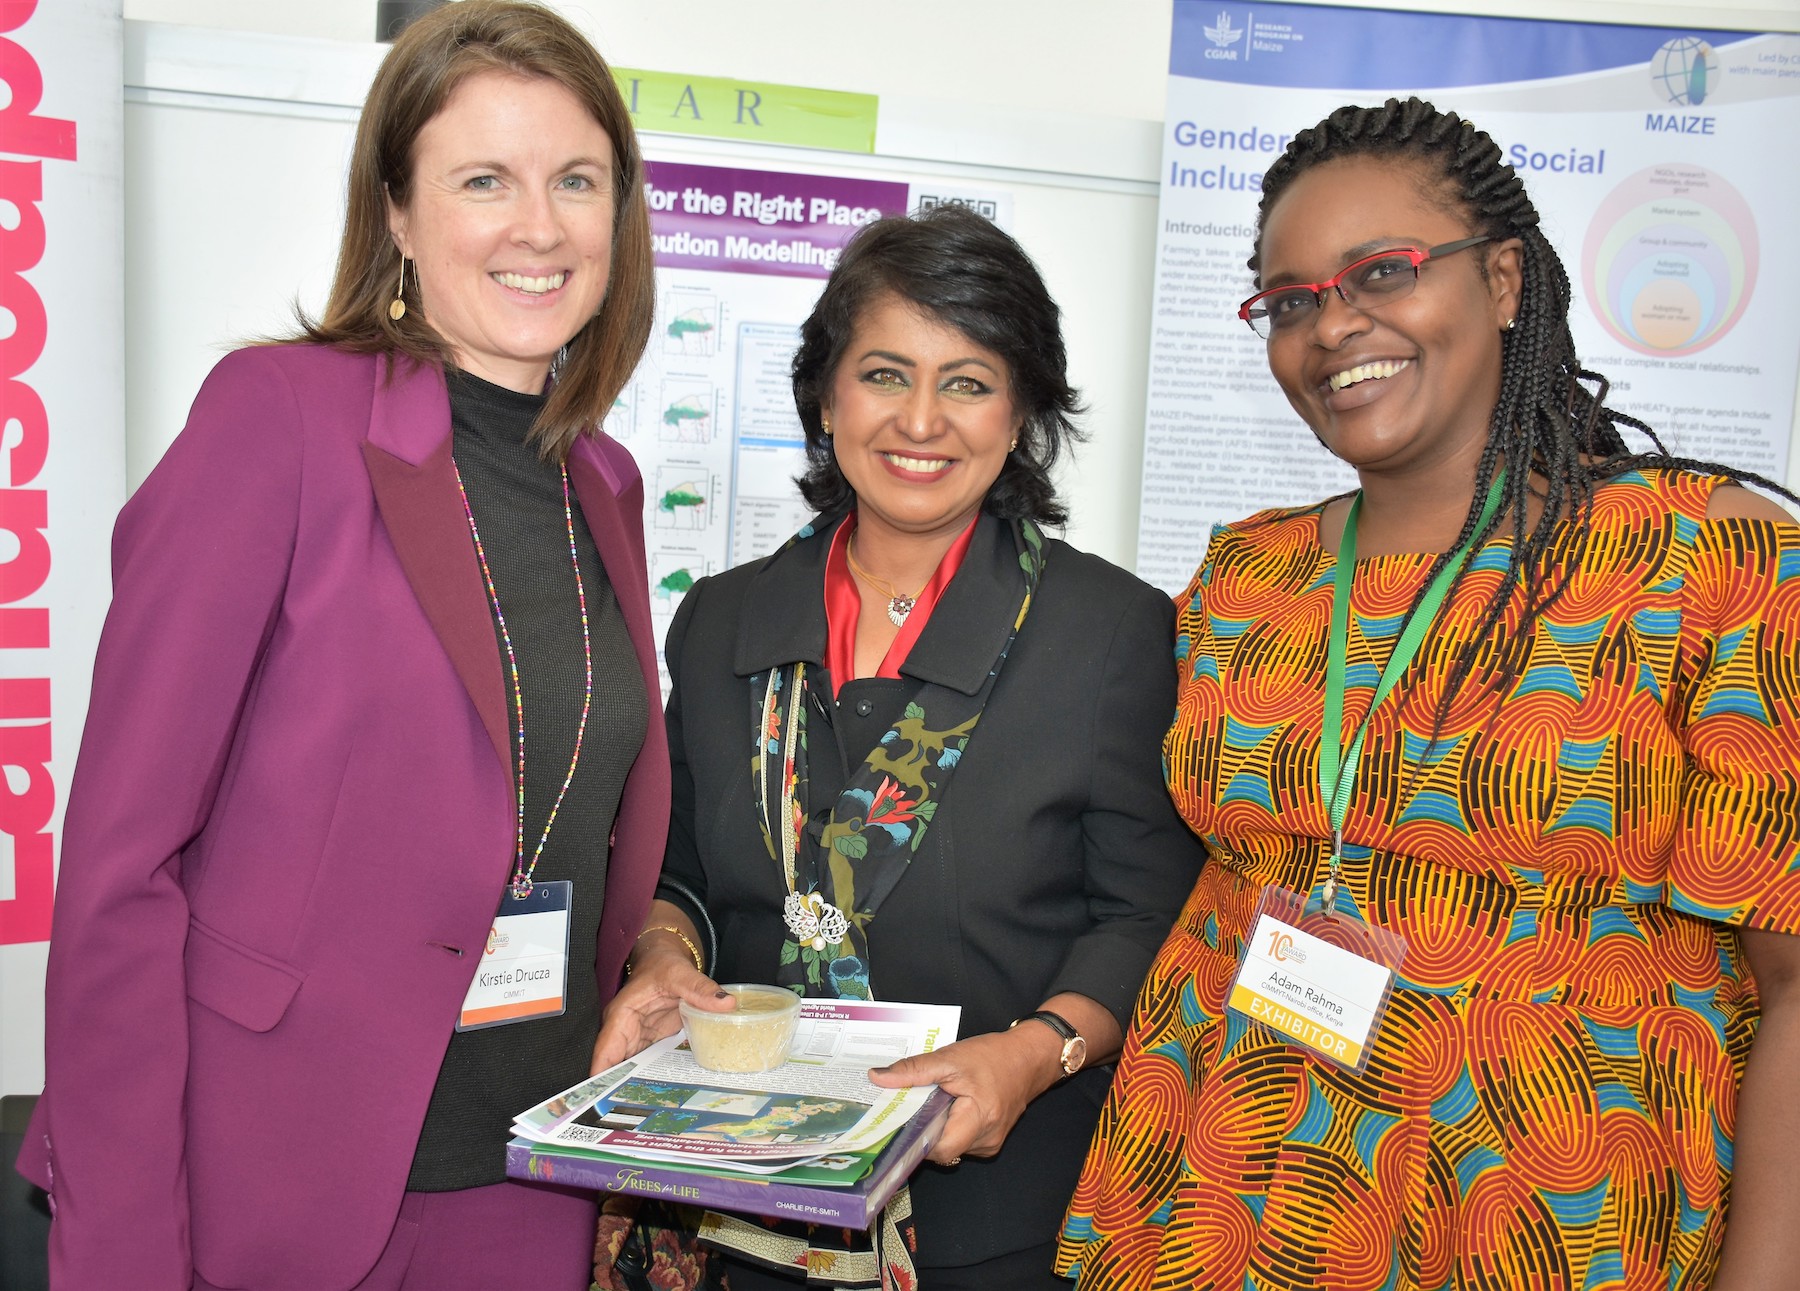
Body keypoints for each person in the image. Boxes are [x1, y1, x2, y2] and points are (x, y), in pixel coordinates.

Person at [1056, 95, 1800, 1291]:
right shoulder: (1247, 571)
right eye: (1292, 300)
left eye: (1382, 273)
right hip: (1219, 1186)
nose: (1332, 326)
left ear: (1504, 279)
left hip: (1546, 1206)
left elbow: (1796, 977)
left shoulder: (1707, 556)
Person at [16, 4, 669, 1288]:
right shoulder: (279, 421)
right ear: (401, 215)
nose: (539, 225)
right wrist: (125, 1245)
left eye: (576, 181)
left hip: (529, 1171)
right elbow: (119, 867)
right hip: (269, 1173)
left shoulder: (607, 482)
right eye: (485, 179)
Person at [592, 205, 1206, 1290]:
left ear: (1021, 414)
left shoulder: (1108, 632)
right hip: (750, 1190)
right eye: (884, 373)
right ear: (826, 398)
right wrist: (662, 958)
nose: (921, 419)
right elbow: (677, 867)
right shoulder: (726, 618)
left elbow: (1145, 909)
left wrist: (1035, 1053)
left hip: (997, 1216)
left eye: (967, 381)